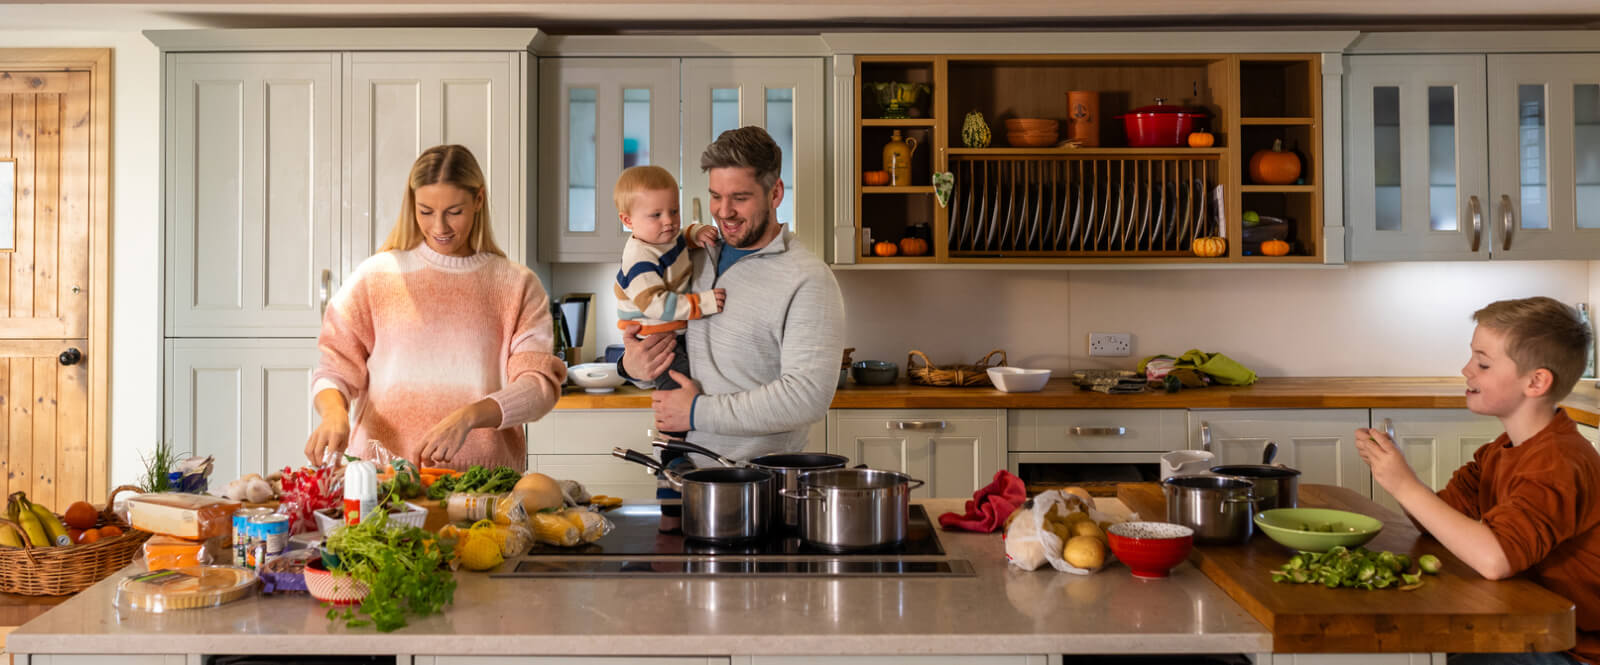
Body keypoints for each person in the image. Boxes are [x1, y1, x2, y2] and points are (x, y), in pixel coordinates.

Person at [1355, 297, 1600, 665]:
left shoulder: (1559, 461)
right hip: (1517, 622)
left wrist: (1404, 484)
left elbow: (1495, 559)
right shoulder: (1501, 450)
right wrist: (1394, 471)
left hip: (1566, 649)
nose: (1466, 369)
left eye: (1483, 363)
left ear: (1536, 381)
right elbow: (1436, 522)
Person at [304, 144, 566, 471]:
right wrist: (334, 415)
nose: (439, 227)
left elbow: (538, 388)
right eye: (426, 211)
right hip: (384, 478)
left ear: (478, 201)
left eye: (454, 211)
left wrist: (470, 416)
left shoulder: (516, 285)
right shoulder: (377, 276)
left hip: (482, 481)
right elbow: (335, 369)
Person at [620, 126, 845, 465]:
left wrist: (697, 413)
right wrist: (632, 367)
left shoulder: (808, 279)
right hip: (677, 477)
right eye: (715, 196)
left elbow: (806, 397)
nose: (723, 212)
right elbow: (660, 353)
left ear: (776, 193)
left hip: (758, 486)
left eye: (740, 198)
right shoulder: (687, 257)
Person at [612, 165, 726, 440]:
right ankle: (671, 447)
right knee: (676, 386)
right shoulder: (639, 258)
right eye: (656, 215)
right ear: (628, 220)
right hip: (654, 332)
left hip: (668, 329)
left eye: (674, 211)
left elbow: (679, 237)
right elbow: (656, 305)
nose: (669, 222)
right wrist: (702, 304)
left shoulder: (661, 235)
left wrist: (695, 233)